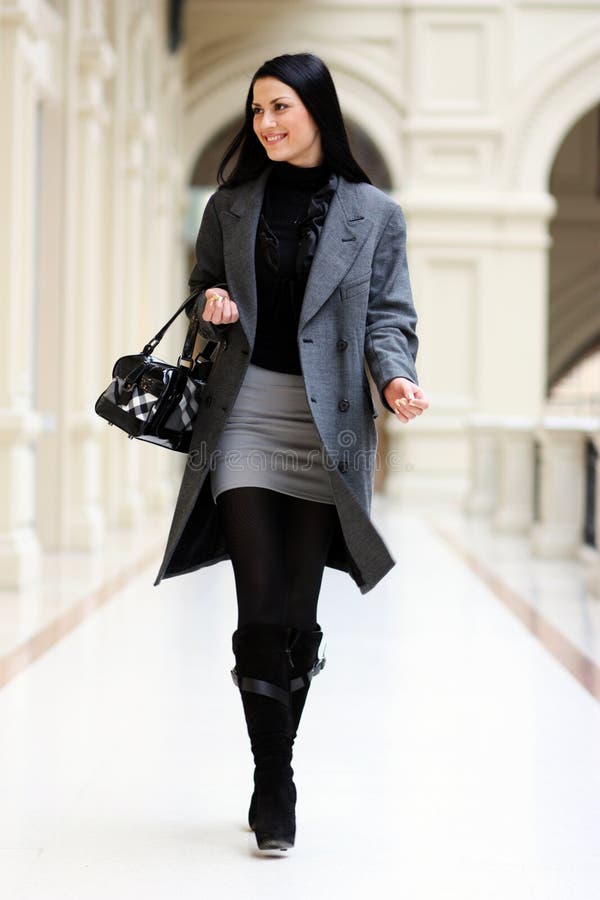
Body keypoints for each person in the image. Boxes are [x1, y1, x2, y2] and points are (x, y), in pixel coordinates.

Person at [153, 52, 429, 852]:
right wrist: (213, 304)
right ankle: (273, 779)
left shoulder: (376, 215)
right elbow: (204, 298)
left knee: (297, 619)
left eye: (280, 108)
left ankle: (278, 761)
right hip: (242, 419)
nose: (266, 124)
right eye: (256, 112)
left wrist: (397, 377)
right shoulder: (230, 205)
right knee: (258, 604)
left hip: (328, 429)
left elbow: (389, 317)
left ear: (316, 110)